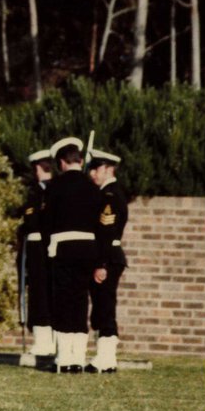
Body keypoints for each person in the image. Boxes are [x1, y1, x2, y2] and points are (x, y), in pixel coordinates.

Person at [38, 137, 102, 374]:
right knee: (80, 300)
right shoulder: (93, 187)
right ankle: (78, 356)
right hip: (88, 249)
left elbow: (47, 222)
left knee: (63, 301)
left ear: (62, 162)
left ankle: (64, 357)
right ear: (81, 161)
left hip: (63, 248)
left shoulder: (54, 187)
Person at [86, 149, 129, 373]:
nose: (93, 173)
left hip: (108, 258)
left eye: (97, 168)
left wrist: (100, 264)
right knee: (103, 306)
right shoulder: (106, 193)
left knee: (104, 306)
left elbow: (106, 231)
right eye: (91, 168)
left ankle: (106, 357)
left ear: (109, 169)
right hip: (108, 257)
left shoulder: (109, 196)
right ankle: (106, 357)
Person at [17, 149, 56, 356]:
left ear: (38, 169)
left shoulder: (42, 192)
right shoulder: (48, 190)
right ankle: (48, 339)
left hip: (40, 247)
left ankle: (44, 341)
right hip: (45, 247)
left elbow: (32, 221)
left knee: (40, 293)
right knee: (44, 292)